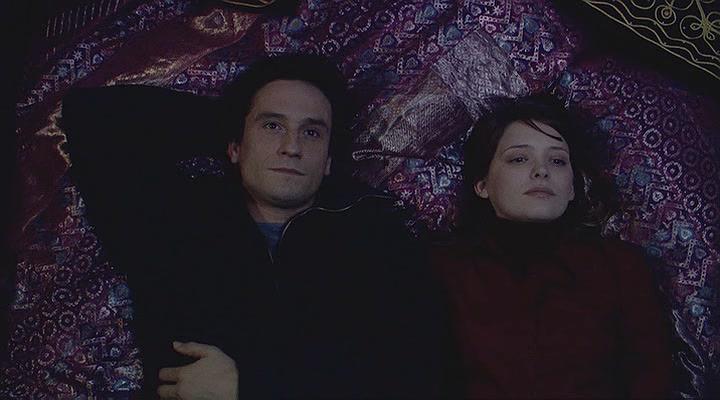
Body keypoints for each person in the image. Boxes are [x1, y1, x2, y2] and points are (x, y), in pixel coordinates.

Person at [62, 54, 456, 399]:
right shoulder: (173, 223)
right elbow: (93, 117)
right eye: (272, 127)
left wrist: (252, 388)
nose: (292, 146)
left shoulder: (379, 238)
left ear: (329, 161)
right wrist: (232, 125)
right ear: (234, 145)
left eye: (312, 132)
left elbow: (416, 379)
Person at [431, 94, 673, 398]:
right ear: (482, 184)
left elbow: (652, 379)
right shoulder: (442, 269)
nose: (541, 171)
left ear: (572, 188)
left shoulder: (621, 267)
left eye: (557, 161)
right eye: (519, 159)